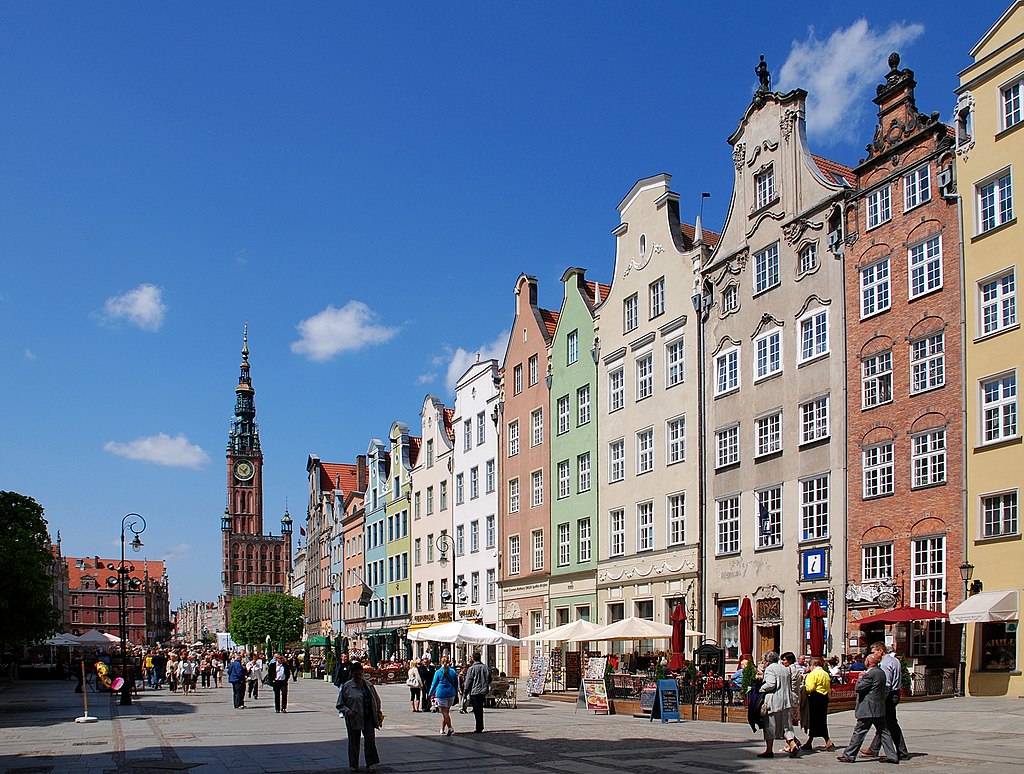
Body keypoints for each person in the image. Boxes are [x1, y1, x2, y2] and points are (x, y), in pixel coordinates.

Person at [836, 653, 898, 763]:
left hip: (868, 708)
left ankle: (849, 755)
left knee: (860, 731)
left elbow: (859, 688)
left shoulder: (871, 674)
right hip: (878, 707)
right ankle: (892, 755)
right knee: (884, 731)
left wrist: (860, 678)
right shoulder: (881, 672)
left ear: (868, 662)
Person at [864, 642, 909, 760]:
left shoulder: (884, 664)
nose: (873, 655)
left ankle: (901, 750)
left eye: (874, 652)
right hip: (896, 693)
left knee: (889, 724)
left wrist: (881, 698)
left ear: (880, 651)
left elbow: (886, 683)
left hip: (888, 695)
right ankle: (874, 748)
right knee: (885, 723)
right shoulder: (895, 660)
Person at [337, 661, 381, 773]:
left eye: (360, 674)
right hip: (354, 717)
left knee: (370, 740)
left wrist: (377, 711)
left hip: (368, 717)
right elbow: (340, 704)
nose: (358, 677)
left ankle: (371, 763)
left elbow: (376, 699)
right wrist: (348, 711)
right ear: (352, 674)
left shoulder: (368, 685)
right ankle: (354, 764)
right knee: (353, 742)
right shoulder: (347, 686)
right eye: (356, 674)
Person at [758, 651, 800, 758]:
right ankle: (792, 743)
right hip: (786, 701)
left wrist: (761, 688)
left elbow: (771, 684)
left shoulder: (770, 669)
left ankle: (769, 750)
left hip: (773, 701)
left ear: (768, 661)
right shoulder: (785, 669)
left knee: (770, 725)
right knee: (787, 726)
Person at [802, 657, 835, 750]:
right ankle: (810, 741)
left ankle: (827, 741)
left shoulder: (812, 674)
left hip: (814, 697)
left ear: (813, 665)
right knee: (821, 719)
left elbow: (810, 688)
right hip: (824, 697)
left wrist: (804, 688)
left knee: (814, 720)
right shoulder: (825, 674)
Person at [428, 655, 460, 736]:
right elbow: (456, 683)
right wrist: (456, 692)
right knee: (446, 712)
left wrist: (430, 694)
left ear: (440, 662)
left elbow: (434, 684)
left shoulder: (438, 672)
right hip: (451, 694)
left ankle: (450, 728)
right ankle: (442, 729)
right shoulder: (453, 671)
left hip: (441, 694)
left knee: (444, 712)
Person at [463, 652, 490, 733]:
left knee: (476, 709)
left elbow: (468, 681)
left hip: (475, 691)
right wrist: (486, 684)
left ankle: (479, 727)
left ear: (473, 659)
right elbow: (490, 678)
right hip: (483, 691)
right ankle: (480, 725)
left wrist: (465, 691)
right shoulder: (485, 667)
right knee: (480, 708)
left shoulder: (471, 669)